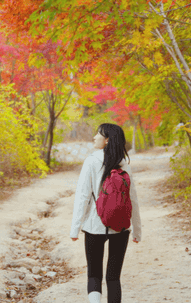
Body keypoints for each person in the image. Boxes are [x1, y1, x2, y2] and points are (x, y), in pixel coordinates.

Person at [70, 123, 142, 303]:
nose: (94, 137)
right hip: (121, 226)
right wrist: (137, 230)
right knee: (114, 277)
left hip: (95, 225)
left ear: (107, 139)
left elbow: (83, 196)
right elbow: (132, 199)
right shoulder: (124, 163)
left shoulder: (91, 160)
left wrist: (75, 228)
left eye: (98, 134)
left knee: (94, 274)